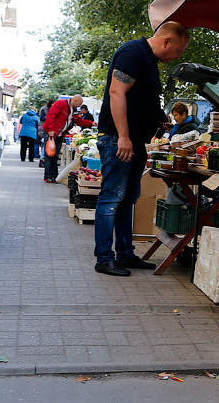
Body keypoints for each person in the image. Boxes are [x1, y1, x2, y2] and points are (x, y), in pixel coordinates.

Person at [93, 21, 189, 276]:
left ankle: (124, 254)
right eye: (178, 51)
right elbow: (116, 93)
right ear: (167, 41)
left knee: (127, 199)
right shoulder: (133, 53)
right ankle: (104, 258)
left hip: (134, 141)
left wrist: (156, 117)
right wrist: (123, 136)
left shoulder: (148, 60)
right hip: (119, 140)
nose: (177, 56)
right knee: (111, 198)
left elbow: (140, 97)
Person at [41, 95, 94, 183]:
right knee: (49, 155)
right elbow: (51, 116)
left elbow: (78, 121)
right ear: (75, 100)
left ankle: (54, 176)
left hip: (59, 134)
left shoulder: (73, 110)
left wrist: (91, 123)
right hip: (52, 133)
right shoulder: (60, 104)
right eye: (79, 104)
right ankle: (48, 176)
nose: (79, 106)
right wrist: (50, 130)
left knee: (55, 155)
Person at [37, 99, 53, 165]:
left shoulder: (52, 109)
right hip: (44, 128)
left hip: (48, 128)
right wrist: (50, 118)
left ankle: (43, 159)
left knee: (44, 144)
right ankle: (42, 159)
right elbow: (42, 118)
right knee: (44, 143)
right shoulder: (44, 109)